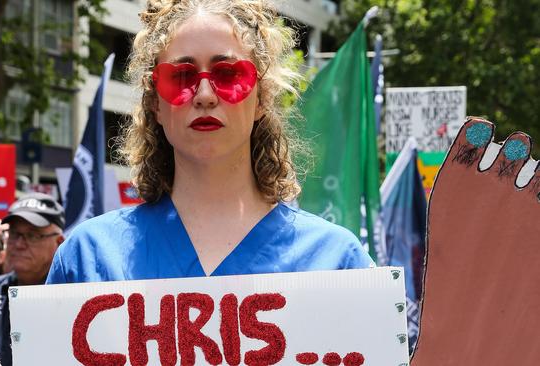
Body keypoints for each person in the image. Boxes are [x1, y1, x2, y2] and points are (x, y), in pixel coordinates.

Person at [47, 0, 373, 285]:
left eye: (228, 74)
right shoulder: (86, 259)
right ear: (155, 105)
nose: (204, 95)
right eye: (182, 76)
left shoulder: (337, 262)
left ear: (261, 98)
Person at [0, 193, 65, 366]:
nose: (18, 244)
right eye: (14, 233)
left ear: (59, 242)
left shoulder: (71, 296)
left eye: (33, 235)